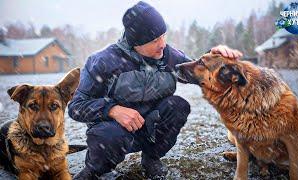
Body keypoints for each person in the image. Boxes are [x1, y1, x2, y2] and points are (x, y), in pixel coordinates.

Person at [68, 1, 242, 179]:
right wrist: (111, 109)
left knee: (178, 106)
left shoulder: (169, 56)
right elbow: (76, 107)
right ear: (136, 42)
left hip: (150, 127)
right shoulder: (103, 62)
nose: (162, 44)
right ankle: (95, 170)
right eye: (154, 40)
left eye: (163, 36)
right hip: (113, 132)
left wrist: (217, 55)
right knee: (110, 136)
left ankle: (151, 158)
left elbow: (200, 71)